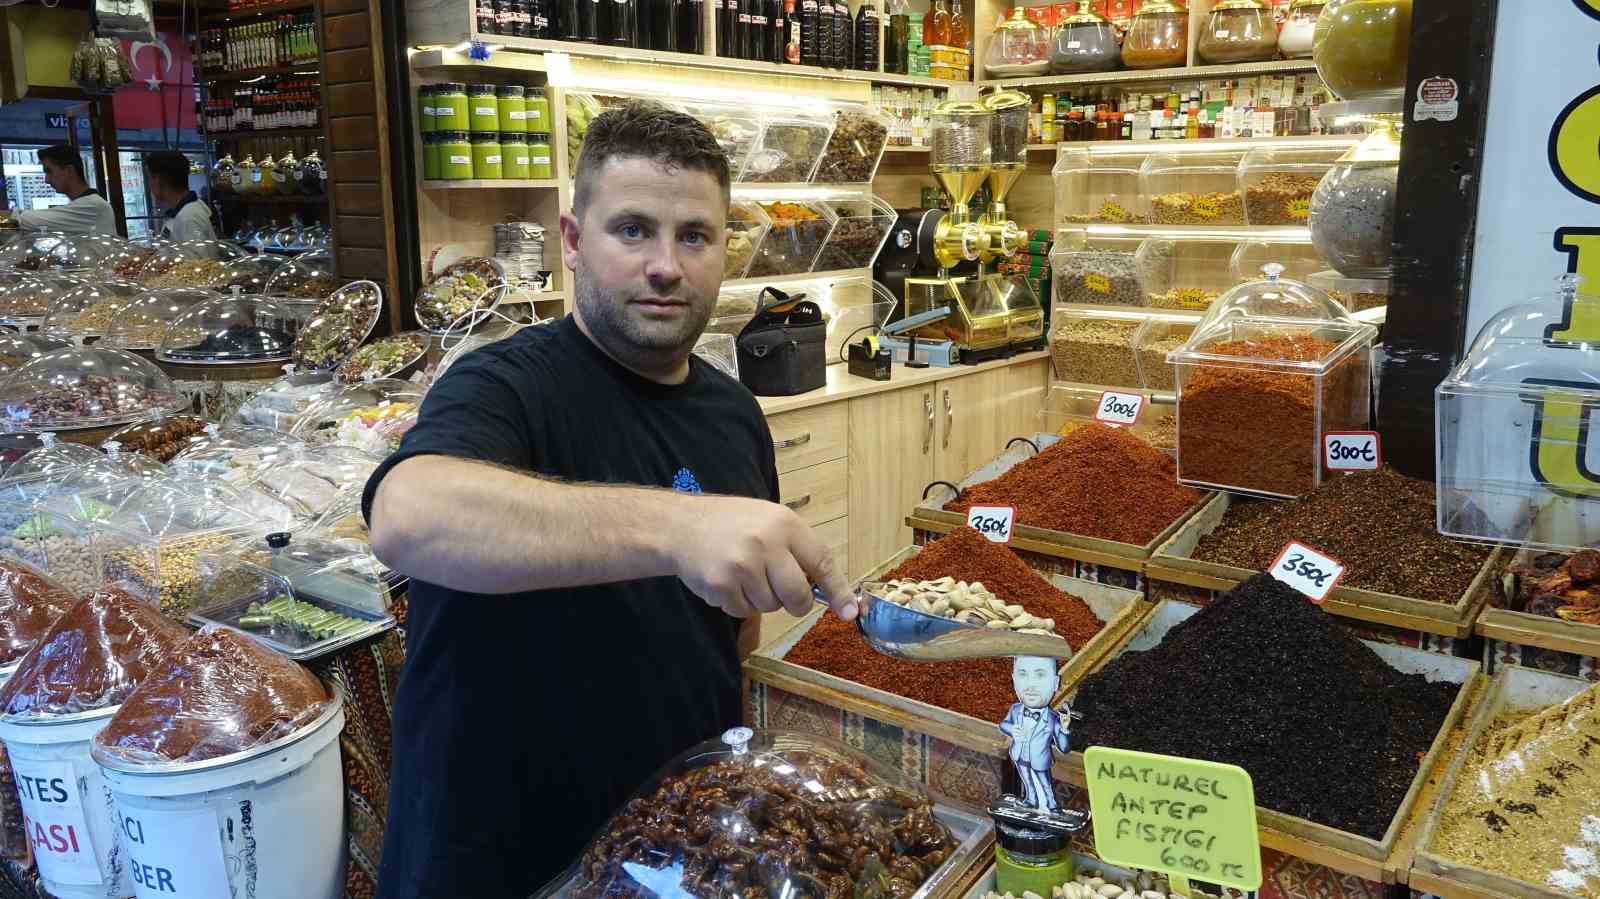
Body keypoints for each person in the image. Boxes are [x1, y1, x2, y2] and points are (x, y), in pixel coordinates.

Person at [363, 100, 857, 898]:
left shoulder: (733, 413)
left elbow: (731, 640)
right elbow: (409, 515)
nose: (666, 264)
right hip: (495, 862)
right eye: (632, 230)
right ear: (571, 241)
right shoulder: (505, 383)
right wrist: (676, 525)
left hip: (669, 854)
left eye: (694, 235)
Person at [998, 655, 1071, 813]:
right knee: (1026, 779)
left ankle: (1052, 804)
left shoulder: (1053, 718)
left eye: (1040, 675)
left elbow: (1064, 748)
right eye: (1022, 674)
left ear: (1055, 683)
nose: (1030, 685)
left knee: (1045, 782)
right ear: (1014, 679)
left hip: (1039, 758)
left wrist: (1064, 729)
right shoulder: (1016, 710)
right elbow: (1003, 724)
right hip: (1019, 754)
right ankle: (1030, 800)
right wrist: (1012, 730)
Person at [14, 145, 116, 236]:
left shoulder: (92, 205)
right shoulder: (89, 204)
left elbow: (25, 221)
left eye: (49, 171)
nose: (46, 180)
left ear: (69, 171)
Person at [145, 151, 216, 243]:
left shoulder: (189, 217)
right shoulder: (180, 212)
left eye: (149, 178)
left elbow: (199, 257)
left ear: (158, 180)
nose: (149, 184)